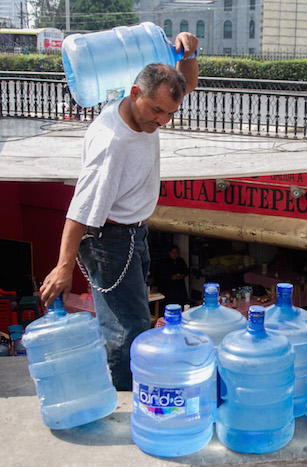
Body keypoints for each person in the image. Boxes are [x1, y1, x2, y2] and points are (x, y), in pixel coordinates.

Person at [39, 32, 199, 391]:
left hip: (134, 232)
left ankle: (127, 390)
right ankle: (125, 402)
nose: (161, 121)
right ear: (135, 93)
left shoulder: (147, 109)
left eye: (170, 114)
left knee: (132, 321)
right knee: (127, 329)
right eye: (157, 111)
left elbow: (186, 82)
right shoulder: (111, 142)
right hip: (109, 239)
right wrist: (64, 267)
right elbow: (80, 209)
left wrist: (190, 52)